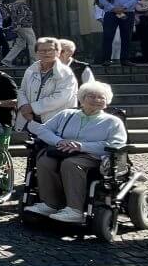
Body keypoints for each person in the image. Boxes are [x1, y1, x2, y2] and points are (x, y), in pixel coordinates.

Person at [25, 81, 127, 223]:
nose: (97, 100)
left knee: (71, 164)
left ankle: (75, 210)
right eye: (91, 96)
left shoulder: (112, 122)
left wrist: (81, 146)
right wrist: (58, 141)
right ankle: (50, 204)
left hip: (93, 156)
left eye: (101, 97)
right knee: (44, 160)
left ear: (107, 101)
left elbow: (115, 144)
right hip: (62, 151)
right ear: (82, 99)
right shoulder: (67, 114)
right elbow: (42, 129)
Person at [16, 37, 78, 131]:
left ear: (58, 52)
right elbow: (22, 91)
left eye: (50, 50)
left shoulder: (66, 73)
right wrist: (24, 107)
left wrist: (32, 107)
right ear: (36, 53)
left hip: (56, 122)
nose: (46, 53)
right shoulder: (31, 69)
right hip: (31, 119)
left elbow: (61, 97)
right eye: (42, 50)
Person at [96, 0, 141, 66]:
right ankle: (106, 59)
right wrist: (113, 8)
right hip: (111, 13)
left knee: (126, 36)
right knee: (108, 36)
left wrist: (124, 7)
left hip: (127, 13)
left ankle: (125, 60)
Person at [1, 0, 36, 65]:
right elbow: (22, 15)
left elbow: (14, 16)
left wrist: (15, 25)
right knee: (32, 43)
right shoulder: (22, 5)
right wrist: (19, 24)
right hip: (25, 26)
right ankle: (34, 62)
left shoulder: (14, 5)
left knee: (20, 44)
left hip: (18, 27)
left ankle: (7, 60)